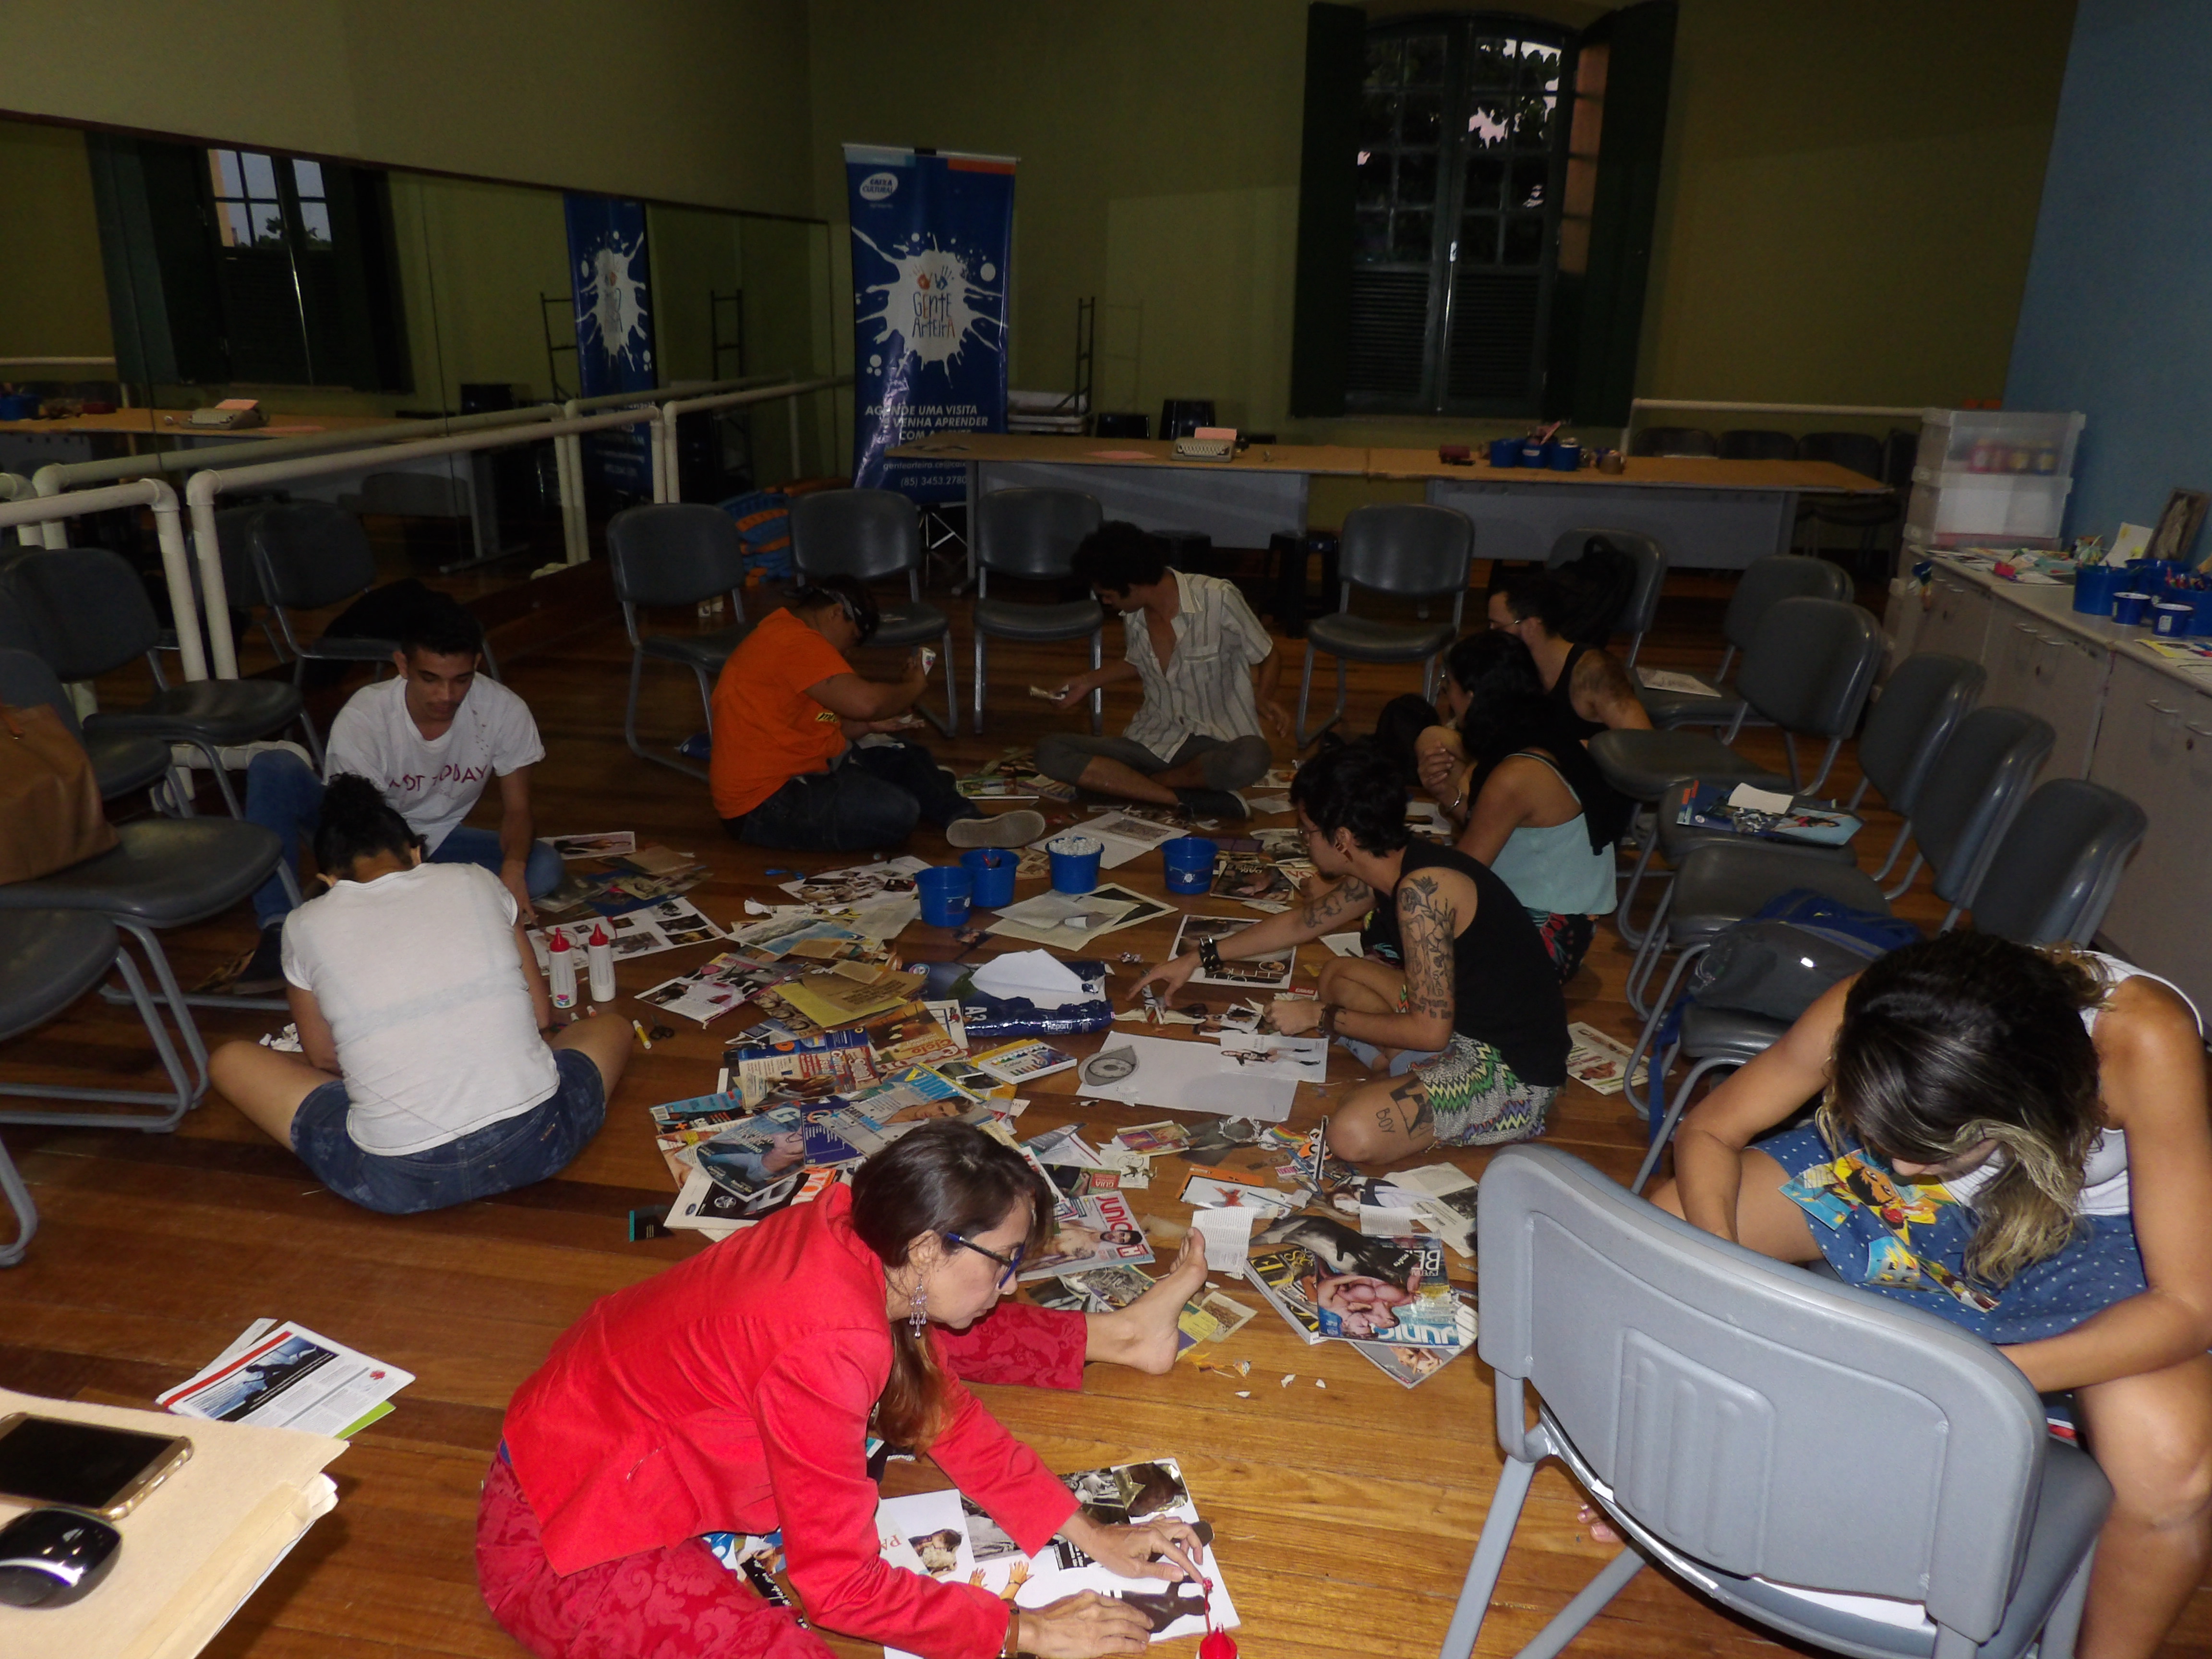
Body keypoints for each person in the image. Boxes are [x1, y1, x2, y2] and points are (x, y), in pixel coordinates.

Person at [1650, 933, 2212, 1659]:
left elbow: (2189, 1307)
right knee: (1667, 1236)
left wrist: (1970, 1382)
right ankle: (1663, 1477)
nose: (1907, 1165)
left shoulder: (2143, 1038)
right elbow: (1711, 1129)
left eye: (1934, 1145)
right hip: (1926, 1213)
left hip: (2097, 1236)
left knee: (2173, 1465)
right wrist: (1721, 1271)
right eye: (1887, 1133)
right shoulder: (1880, 1008)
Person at [478, 1120, 1216, 1659]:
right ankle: (1123, 1335)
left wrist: (1090, 1533)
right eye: (1005, 1260)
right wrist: (1025, 1632)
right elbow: (838, 1587)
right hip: (564, 1532)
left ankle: (1123, 1335)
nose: (1015, 1281)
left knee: (956, 1325)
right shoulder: (831, 1344)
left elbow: (944, 1411)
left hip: (607, 1422)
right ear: (926, 1246)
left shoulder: (852, 1230)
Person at [206, 775, 630, 1215]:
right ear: (415, 853)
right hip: (540, 1142)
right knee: (612, 1027)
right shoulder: (477, 879)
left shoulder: (302, 924)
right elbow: (541, 1014)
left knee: (229, 1060)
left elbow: (325, 1058)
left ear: (329, 879)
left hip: (399, 1180)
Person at [1134, 742, 1569, 1156]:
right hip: (1461, 1020)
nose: (1304, 841)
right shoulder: (1393, 862)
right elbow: (1300, 923)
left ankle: (1417, 1075)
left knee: (1352, 1134)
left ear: (1342, 838)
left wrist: (1319, 1016)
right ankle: (1398, 1065)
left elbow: (1429, 1032)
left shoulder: (1422, 894)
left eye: (1307, 831)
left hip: (1513, 1071)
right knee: (1338, 975)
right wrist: (1197, 957)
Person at [231, 594, 560, 991]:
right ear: (403, 665)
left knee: (542, 868)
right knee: (273, 765)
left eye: (461, 680)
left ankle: (351, 895)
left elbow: (518, 809)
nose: (447, 696)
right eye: (430, 679)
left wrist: (514, 869)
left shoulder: (504, 710)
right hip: (354, 828)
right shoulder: (366, 717)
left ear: (476, 664)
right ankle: (277, 927)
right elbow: (357, 827)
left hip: (431, 842)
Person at [711, 576, 1044, 853]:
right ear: (836, 613)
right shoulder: (793, 642)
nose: (847, 651)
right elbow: (867, 702)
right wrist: (913, 686)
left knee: (905, 754)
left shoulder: (788, 635)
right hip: (764, 804)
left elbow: (815, 721)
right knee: (897, 810)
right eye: (852, 638)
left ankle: (966, 820)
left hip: (805, 767)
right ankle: (923, 792)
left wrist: (865, 726)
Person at [1411, 633, 1631, 983]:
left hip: (1540, 943)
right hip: (1562, 924)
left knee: (1397, 913)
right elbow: (1500, 831)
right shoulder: (1543, 733)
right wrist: (1448, 794)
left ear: (1472, 696)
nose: (1445, 697)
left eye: (1448, 686)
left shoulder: (1517, 773)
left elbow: (1463, 870)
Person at [1033, 521, 1288, 820]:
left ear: (1133, 583)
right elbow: (1139, 661)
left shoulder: (1218, 597)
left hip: (1214, 743)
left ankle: (1132, 786)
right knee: (1050, 751)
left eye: (1107, 594)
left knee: (1253, 757)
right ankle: (1182, 798)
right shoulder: (1134, 614)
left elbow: (1269, 653)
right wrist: (1086, 682)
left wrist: (1263, 697)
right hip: (1151, 741)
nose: (1105, 601)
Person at [1487, 567, 1651, 740]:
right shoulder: (1515, 669)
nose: (1490, 635)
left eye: (1498, 627)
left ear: (1531, 625)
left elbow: (1641, 743)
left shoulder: (1595, 672)